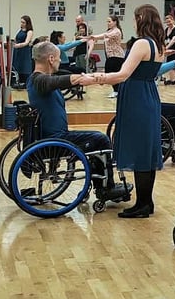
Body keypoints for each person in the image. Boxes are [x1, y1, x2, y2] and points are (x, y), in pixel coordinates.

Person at [94, 4, 166, 219]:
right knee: (145, 150)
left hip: (136, 97)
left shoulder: (142, 43)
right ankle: (146, 202)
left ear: (141, 19)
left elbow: (123, 74)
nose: (133, 23)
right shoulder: (158, 44)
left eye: (135, 19)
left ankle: (143, 204)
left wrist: (96, 78)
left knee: (140, 151)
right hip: (147, 94)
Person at [26, 41, 121, 195]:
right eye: (58, 58)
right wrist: (85, 79)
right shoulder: (39, 81)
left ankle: (99, 182)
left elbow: (59, 79)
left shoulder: (36, 79)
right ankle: (106, 188)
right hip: (56, 141)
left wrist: (90, 77)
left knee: (93, 140)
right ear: (51, 59)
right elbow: (58, 81)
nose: (60, 61)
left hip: (53, 137)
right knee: (101, 140)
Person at [91, 16, 126, 98]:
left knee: (113, 73)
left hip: (116, 56)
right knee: (109, 72)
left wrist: (95, 37)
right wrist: (95, 39)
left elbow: (105, 35)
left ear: (115, 22)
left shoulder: (116, 31)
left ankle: (117, 91)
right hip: (110, 56)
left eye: (109, 21)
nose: (108, 23)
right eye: (107, 21)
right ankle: (116, 90)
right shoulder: (110, 31)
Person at [10, 15, 34, 88]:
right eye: (21, 22)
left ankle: (25, 82)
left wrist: (18, 45)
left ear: (27, 23)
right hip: (17, 51)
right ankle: (16, 81)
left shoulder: (29, 31)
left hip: (24, 51)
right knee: (16, 66)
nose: (22, 24)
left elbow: (26, 42)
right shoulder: (20, 30)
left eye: (23, 22)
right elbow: (15, 39)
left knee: (24, 66)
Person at [162, 14, 175, 87]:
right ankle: (172, 79)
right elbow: (164, 38)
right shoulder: (167, 29)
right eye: (167, 22)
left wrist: (167, 47)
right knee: (171, 64)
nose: (168, 23)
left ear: (173, 20)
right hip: (169, 48)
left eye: (169, 21)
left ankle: (172, 80)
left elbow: (174, 39)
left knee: (172, 64)